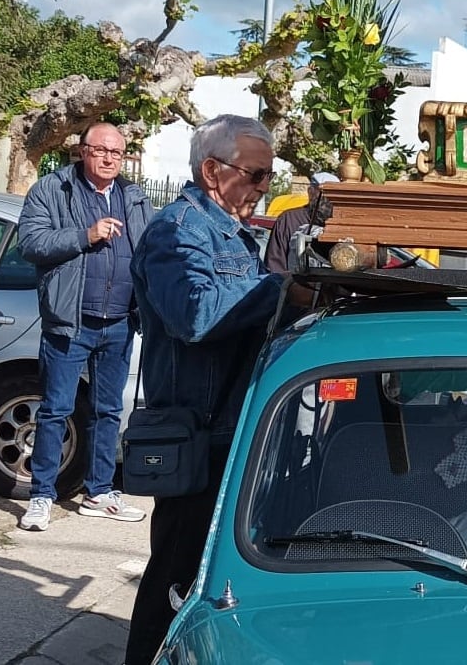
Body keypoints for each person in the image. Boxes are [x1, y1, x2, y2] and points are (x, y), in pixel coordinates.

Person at [123, 114, 284, 665]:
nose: (265, 188)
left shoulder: (230, 230)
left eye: (269, 175)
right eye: (257, 175)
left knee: (205, 575)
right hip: (197, 433)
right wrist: (286, 291)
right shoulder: (176, 229)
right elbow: (196, 314)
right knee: (175, 575)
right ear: (213, 171)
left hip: (230, 430)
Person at [15, 121, 153, 532]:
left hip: (119, 322)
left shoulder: (134, 196)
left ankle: (98, 492)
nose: (110, 158)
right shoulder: (53, 190)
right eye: (102, 150)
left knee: (108, 411)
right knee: (56, 410)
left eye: (118, 152)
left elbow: (148, 251)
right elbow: (30, 243)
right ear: (82, 151)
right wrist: (85, 235)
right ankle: (40, 496)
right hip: (70, 322)